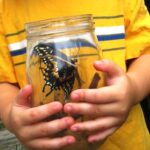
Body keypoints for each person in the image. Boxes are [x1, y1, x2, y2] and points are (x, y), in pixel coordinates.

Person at [0, 0, 150, 149]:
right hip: (50, 141)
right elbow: (3, 81)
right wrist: (10, 115)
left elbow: (146, 53)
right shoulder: (4, 9)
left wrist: (134, 87)